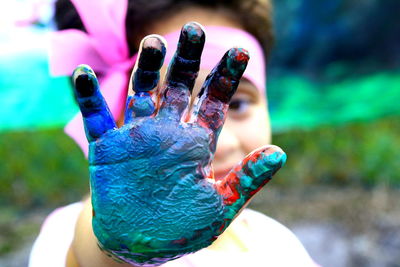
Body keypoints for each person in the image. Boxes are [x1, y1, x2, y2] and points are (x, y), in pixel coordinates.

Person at [29, 0, 318, 266]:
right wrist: (126, 251)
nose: (222, 144)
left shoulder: (275, 238)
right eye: (163, 113)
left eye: (239, 103)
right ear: (109, 118)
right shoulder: (69, 233)